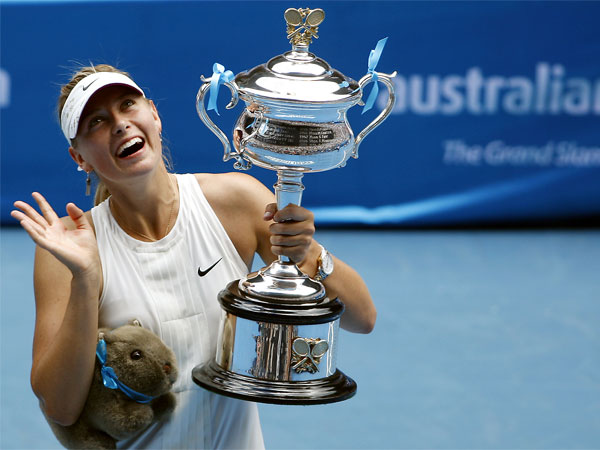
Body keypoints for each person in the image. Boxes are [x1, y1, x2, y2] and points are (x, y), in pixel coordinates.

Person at [11, 64, 376, 449]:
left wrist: (309, 253)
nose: (120, 124)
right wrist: (85, 280)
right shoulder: (67, 249)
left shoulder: (237, 201)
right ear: (79, 157)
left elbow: (362, 317)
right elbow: (60, 408)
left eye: (127, 105)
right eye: (97, 122)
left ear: (154, 114)